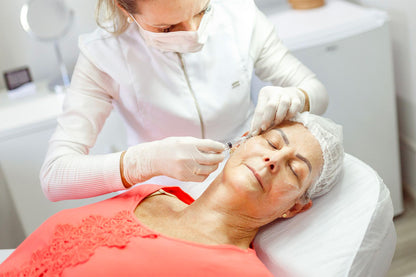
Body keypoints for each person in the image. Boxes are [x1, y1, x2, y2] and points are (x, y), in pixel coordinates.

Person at [40, 0, 329, 202]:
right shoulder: (103, 54)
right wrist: (144, 162)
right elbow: (55, 176)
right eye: (167, 28)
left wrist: (297, 97)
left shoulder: (240, 14)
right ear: (124, 10)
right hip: (161, 200)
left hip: (245, 188)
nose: (193, 33)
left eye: (202, 10)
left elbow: (315, 90)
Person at [2, 113, 343, 276]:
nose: (273, 160)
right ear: (242, 140)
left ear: (294, 208)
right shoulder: (149, 192)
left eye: (294, 170)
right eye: (271, 143)